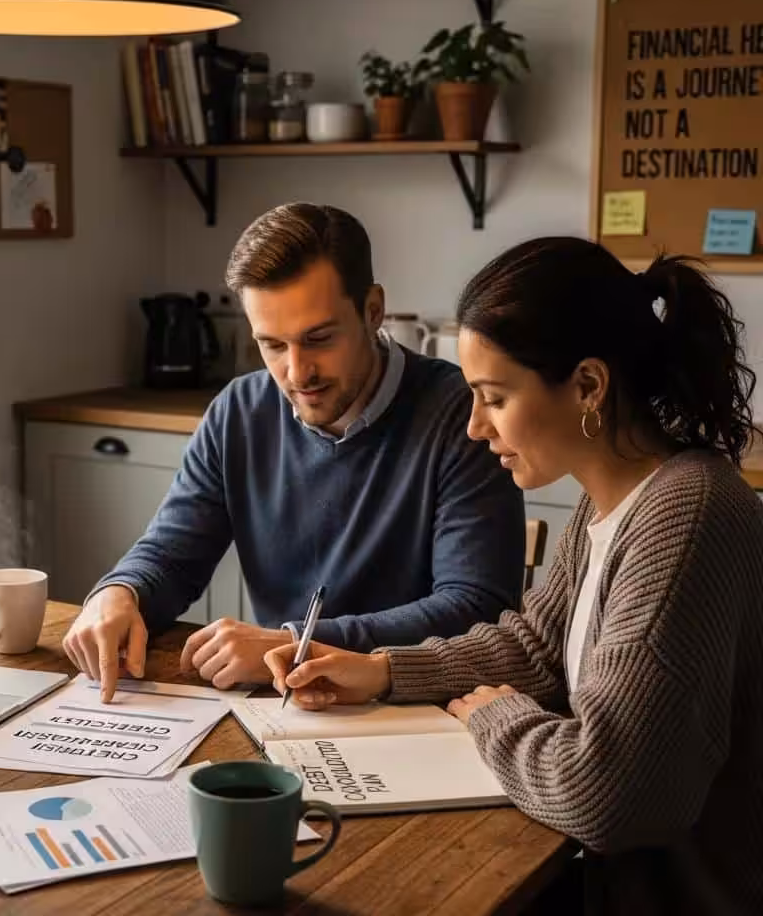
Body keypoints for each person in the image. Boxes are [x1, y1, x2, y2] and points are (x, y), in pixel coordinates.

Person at [265, 236, 763, 915]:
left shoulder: (688, 515)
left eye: (493, 398)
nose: (474, 427)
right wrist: (382, 670)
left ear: (588, 385)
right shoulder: (618, 492)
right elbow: (539, 646)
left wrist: (498, 717)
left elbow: (605, 795)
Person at [62, 203, 524, 700]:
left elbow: (476, 608)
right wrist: (118, 593)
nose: (297, 373)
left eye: (319, 339)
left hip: (425, 706)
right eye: (272, 345)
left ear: (372, 310)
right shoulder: (237, 412)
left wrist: (295, 643)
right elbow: (172, 556)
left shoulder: (463, 415)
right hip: (287, 702)